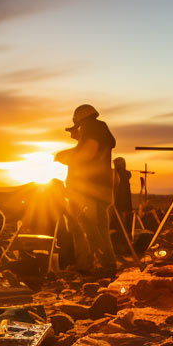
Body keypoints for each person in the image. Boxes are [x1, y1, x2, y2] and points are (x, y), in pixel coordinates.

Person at [54, 103, 117, 274]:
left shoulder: (94, 130)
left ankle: (106, 267)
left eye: (79, 126)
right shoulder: (98, 132)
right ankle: (93, 265)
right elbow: (88, 149)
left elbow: (84, 156)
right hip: (98, 192)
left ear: (82, 120)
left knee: (93, 231)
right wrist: (78, 140)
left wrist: (63, 156)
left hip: (90, 192)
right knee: (96, 230)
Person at [113, 157, 135, 235]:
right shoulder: (125, 174)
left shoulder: (120, 174)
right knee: (123, 216)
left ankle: (123, 232)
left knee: (122, 217)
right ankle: (123, 231)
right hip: (122, 199)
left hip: (121, 198)